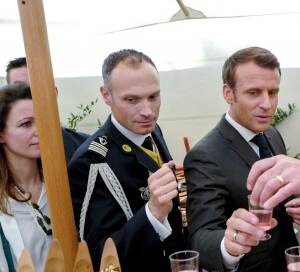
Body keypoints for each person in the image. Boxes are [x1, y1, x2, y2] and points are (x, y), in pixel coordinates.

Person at [68, 49, 184, 272]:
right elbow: (97, 258)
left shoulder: (153, 131)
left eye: (153, 96)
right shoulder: (91, 162)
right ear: (106, 95)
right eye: (131, 100)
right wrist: (153, 213)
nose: (147, 111)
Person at [184, 46, 298, 271]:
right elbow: (200, 237)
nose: (267, 104)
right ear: (228, 93)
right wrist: (230, 245)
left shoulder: (272, 135)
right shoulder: (204, 155)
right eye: (253, 93)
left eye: (272, 92)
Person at [0, 83, 52, 271]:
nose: (39, 131)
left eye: (42, 120)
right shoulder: (4, 201)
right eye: (26, 124)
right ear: (1, 134)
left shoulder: (62, 185)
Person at [5, 57, 89, 164]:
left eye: (36, 87)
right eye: (19, 88)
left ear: (54, 93)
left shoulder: (85, 145)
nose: (28, 96)